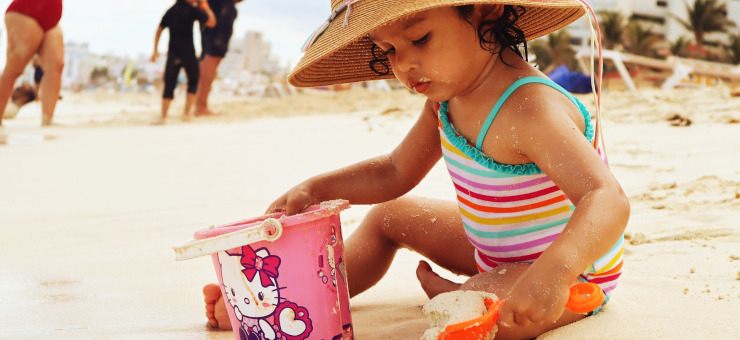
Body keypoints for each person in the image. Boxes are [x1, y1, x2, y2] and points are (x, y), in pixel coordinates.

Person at [203, 1, 630, 339]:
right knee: (389, 216)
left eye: (420, 39)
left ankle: (468, 300)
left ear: (485, 10)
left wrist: (554, 273)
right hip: (492, 251)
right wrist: (316, 186)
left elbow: (606, 198)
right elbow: (393, 172)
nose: (403, 65)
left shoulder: (531, 108)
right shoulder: (445, 102)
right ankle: (304, 295)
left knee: (490, 317)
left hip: (573, 268)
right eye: (388, 51)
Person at [151, 0, 216, 124]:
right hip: (188, 52)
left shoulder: (171, 11)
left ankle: (163, 117)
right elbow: (212, 22)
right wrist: (204, 5)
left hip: (173, 52)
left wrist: (155, 50)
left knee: (169, 84)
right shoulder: (192, 10)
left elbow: (159, 30)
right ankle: (186, 115)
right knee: (193, 81)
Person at [0, 0, 64, 127]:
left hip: (51, 17)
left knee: (56, 65)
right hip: (26, 11)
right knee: (15, 67)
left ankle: (48, 119)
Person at [193, 0, 243, 117]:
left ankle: (199, 105)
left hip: (216, 7)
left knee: (208, 55)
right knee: (212, 56)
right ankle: (200, 107)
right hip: (219, 7)